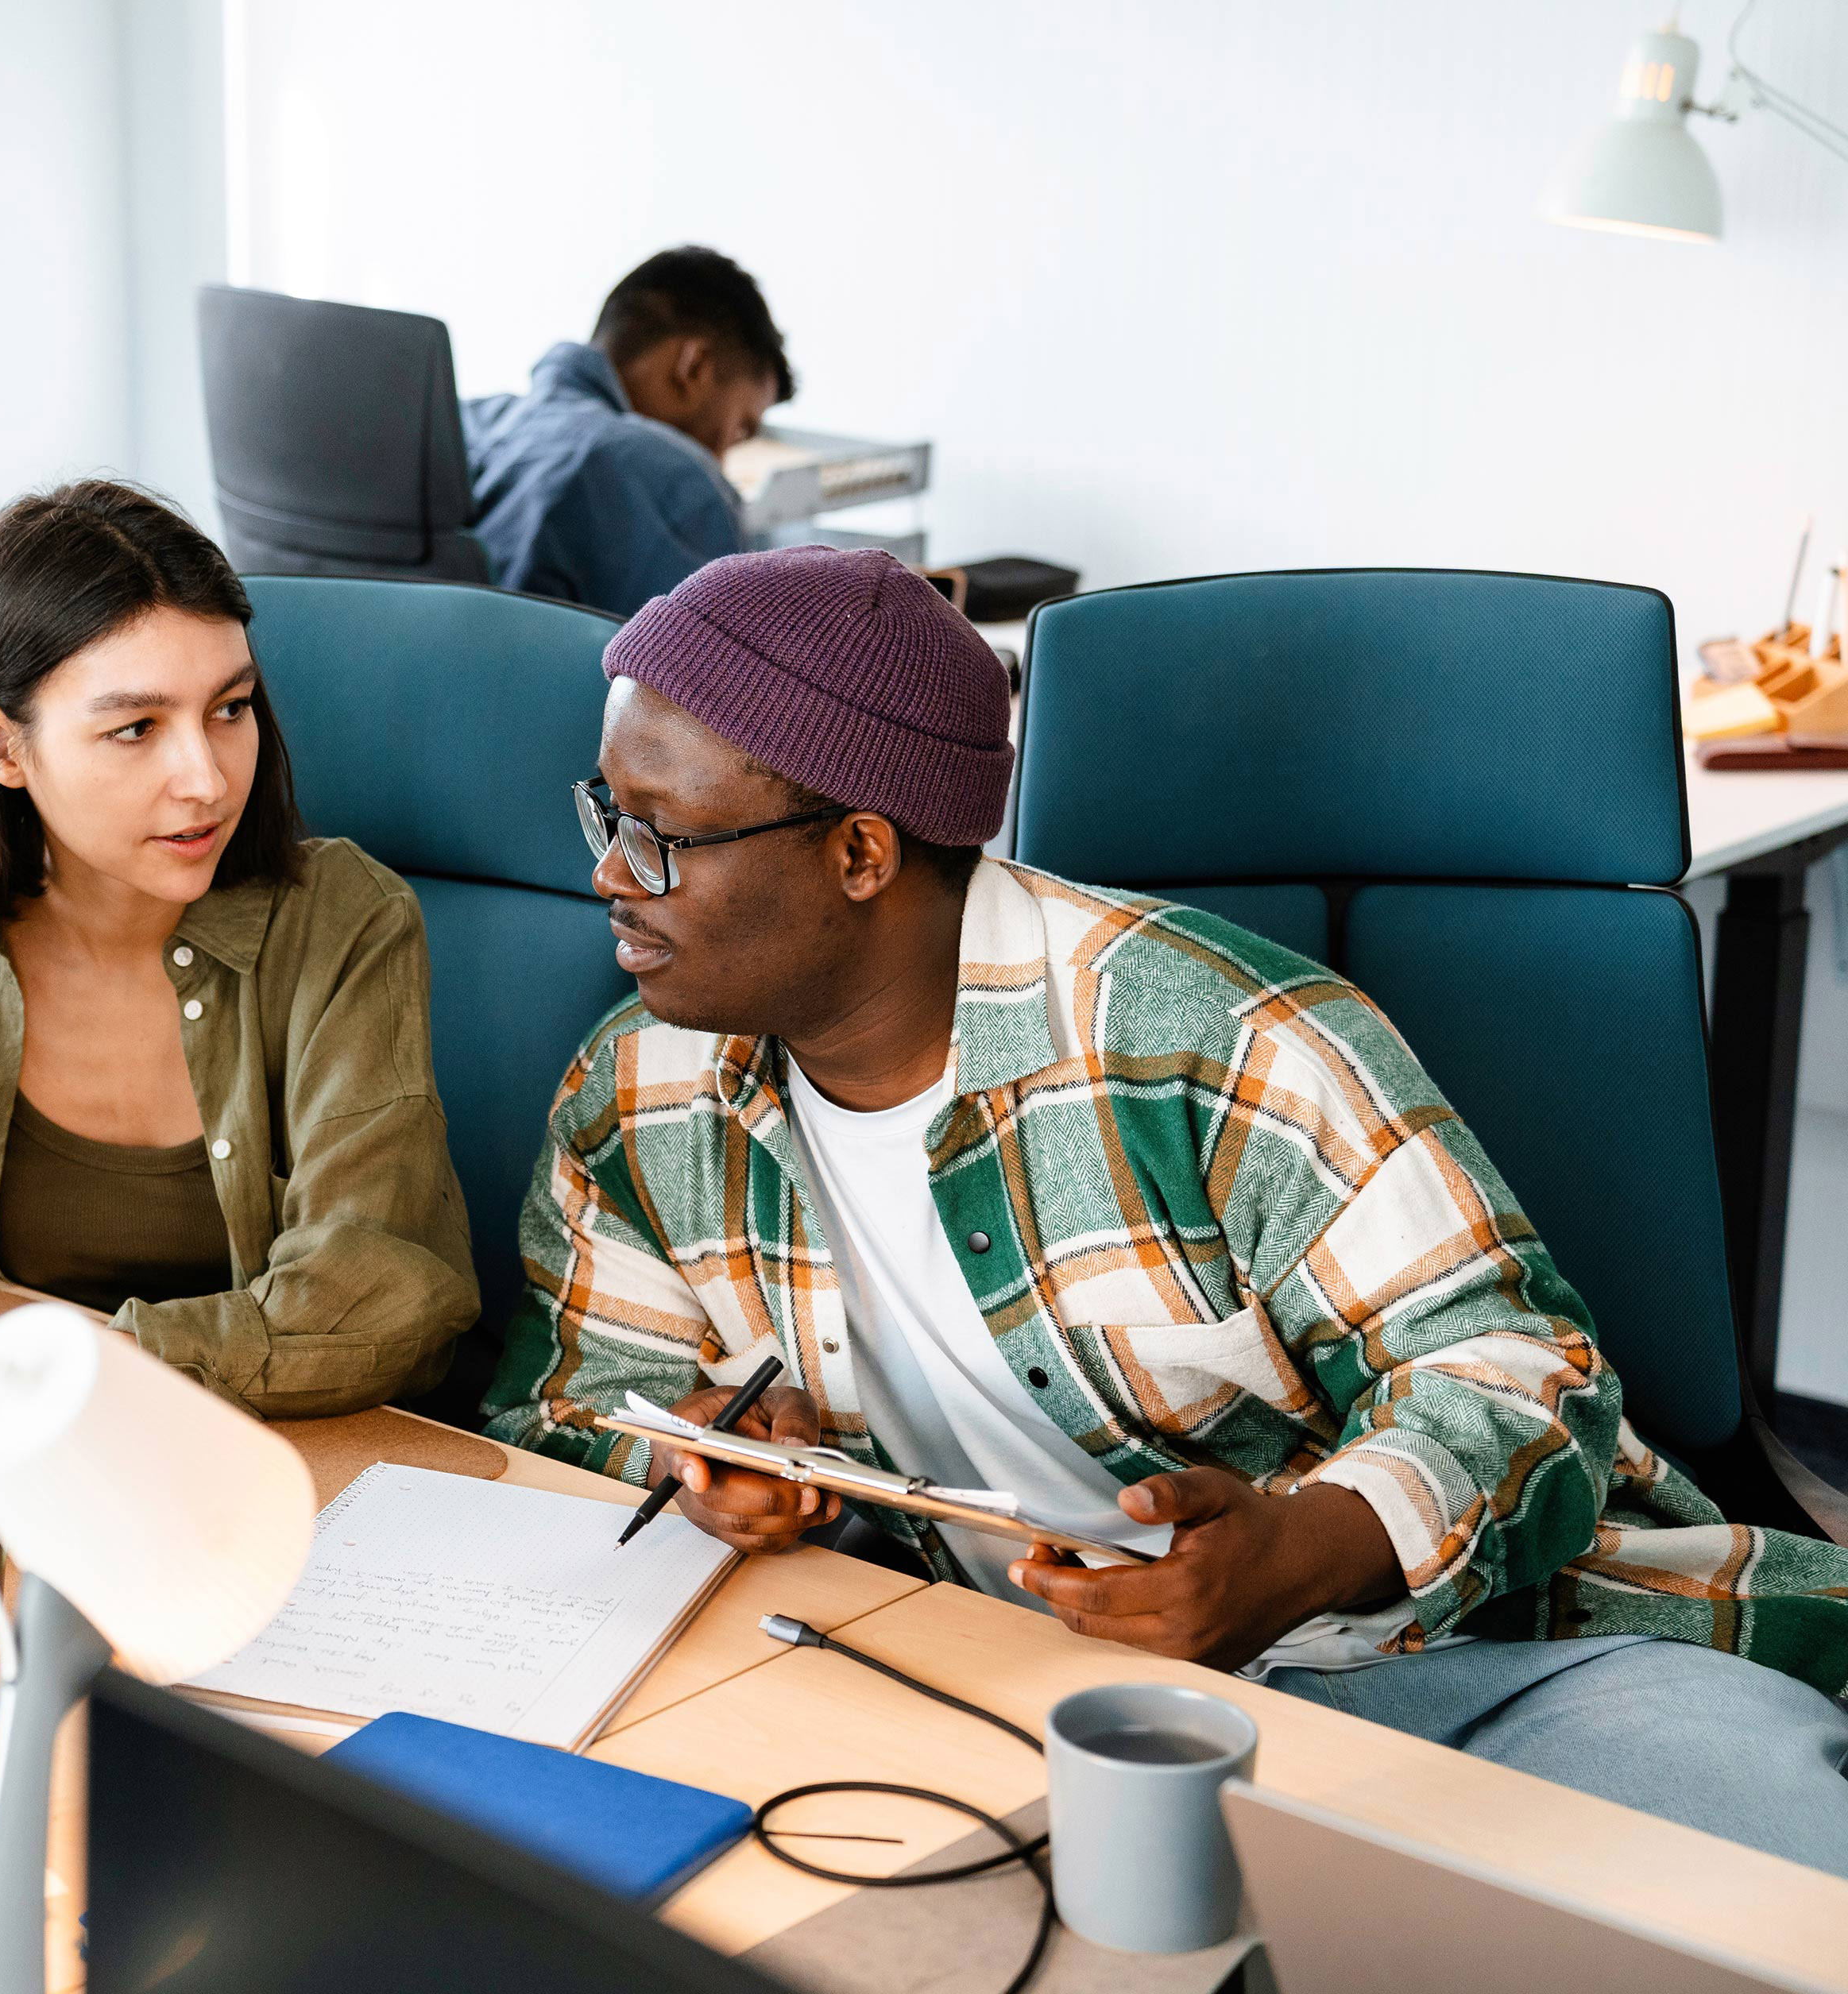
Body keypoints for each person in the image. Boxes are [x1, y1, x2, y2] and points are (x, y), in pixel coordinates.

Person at [481, 544, 1848, 1873]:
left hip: (1449, 1663)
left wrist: (1305, 1552)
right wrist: (698, 1464)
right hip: (980, 1680)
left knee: (1765, 1896)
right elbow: (568, 1409)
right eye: (605, 816)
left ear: (858, 853)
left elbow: (1517, 1379)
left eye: (658, 837)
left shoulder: (1212, 1039)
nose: (608, 873)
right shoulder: (639, 1088)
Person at [0, 481, 475, 1427]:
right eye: (136, 728)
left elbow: (370, 1290)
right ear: (0, 744)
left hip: (274, 1455)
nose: (206, 776)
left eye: (230, 708)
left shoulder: (346, 923)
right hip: (20, 1468)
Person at [462, 245, 792, 620]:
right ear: (693, 367)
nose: (724, 456)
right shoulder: (672, 477)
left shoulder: (457, 421)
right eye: (739, 428)